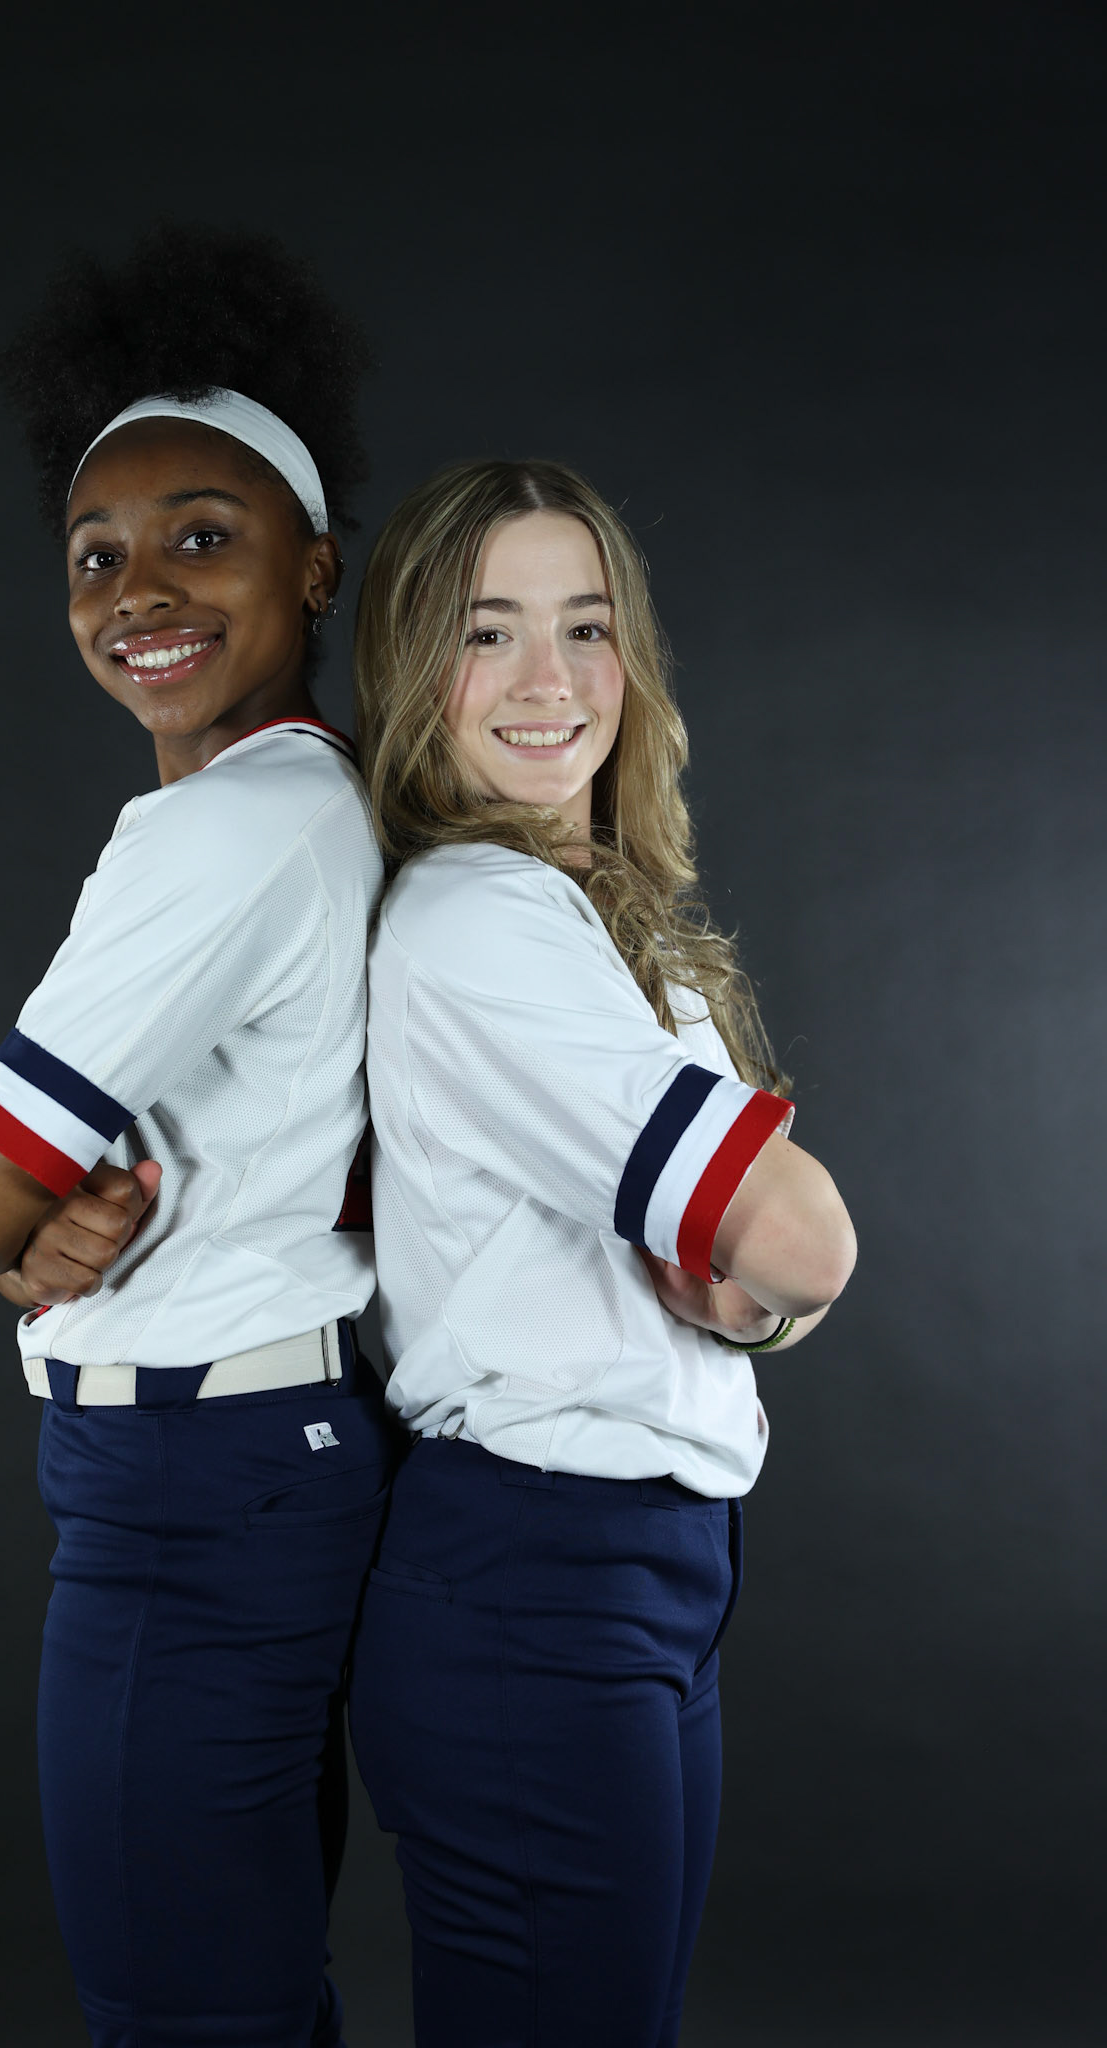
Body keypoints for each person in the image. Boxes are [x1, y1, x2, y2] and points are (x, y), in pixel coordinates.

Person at [0, 225, 397, 2048]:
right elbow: (43, 1213)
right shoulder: (325, 794)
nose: (140, 588)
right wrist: (44, 1237)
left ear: (315, 564)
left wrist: (8, 1232)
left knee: (182, 2007)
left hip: (193, 1489)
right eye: (95, 553)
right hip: (284, 1439)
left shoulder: (214, 831)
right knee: (250, 1983)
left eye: (204, 532)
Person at [348, 459, 857, 2047]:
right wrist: (771, 1271)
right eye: (487, 632)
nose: (550, 681)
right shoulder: (480, 920)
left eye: (585, 625)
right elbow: (805, 1236)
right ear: (413, 670)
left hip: (642, 1575)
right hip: (534, 1587)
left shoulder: (592, 913)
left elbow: (746, 1285)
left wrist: (749, 1312)